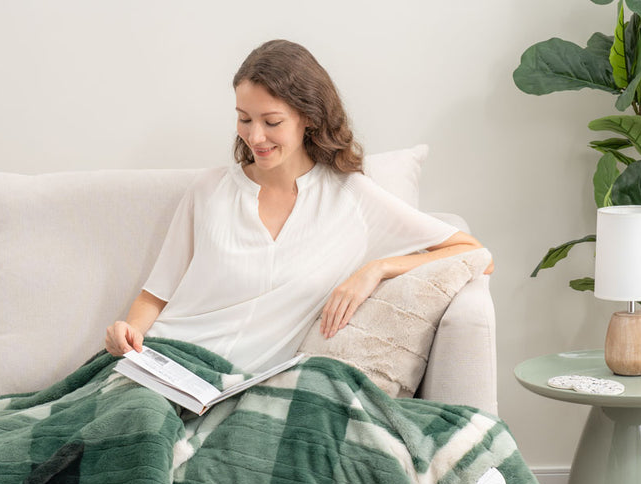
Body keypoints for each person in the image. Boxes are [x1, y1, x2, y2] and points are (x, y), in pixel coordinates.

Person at [105, 39, 490, 373]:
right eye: (244, 119)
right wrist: (130, 332)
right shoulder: (208, 190)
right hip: (167, 362)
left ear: (308, 116)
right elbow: (155, 295)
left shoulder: (351, 197)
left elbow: (474, 253)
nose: (255, 136)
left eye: (271, 121)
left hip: (238, 386)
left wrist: (378, 269)